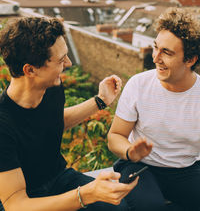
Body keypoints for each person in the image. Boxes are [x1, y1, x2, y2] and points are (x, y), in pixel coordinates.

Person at [0, 17, 138, 211]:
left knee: (118, 207)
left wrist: (100, 101)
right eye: (60, 59)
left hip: (59, 178)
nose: (69, 63)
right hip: (28, 198)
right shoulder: (3, 124)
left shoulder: (52, 87)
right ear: (30, 70)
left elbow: (52, 121)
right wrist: (87, 194)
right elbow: (16, 205)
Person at [108, 8, 200, 211]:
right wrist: (130, 151)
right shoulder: (139, 84)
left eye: (166, 52)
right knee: (150, 206)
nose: (155, 57)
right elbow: (115, 136)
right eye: (156, 47)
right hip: (140, 166)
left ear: (190, 59)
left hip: (186, 169)